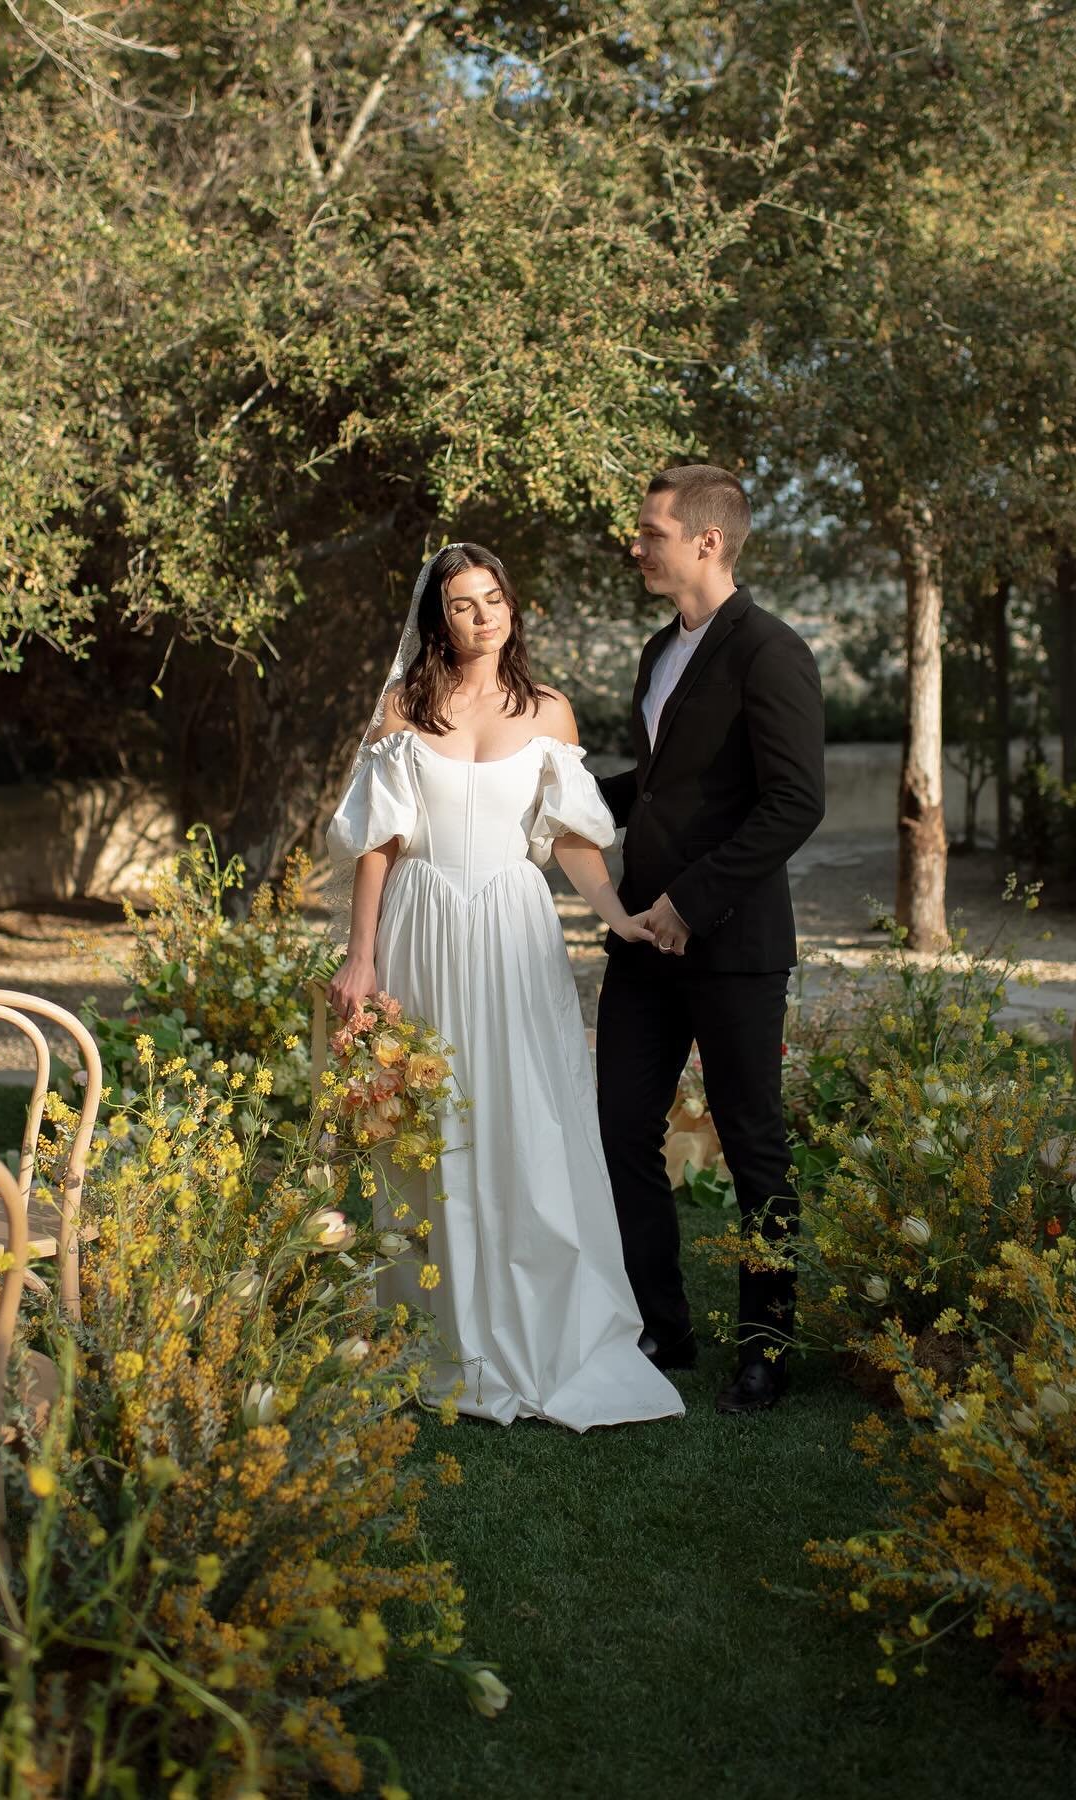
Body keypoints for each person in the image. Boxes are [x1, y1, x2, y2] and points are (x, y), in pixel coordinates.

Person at [325, 544, 683, 1432]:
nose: (481, 617)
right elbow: (379, 843)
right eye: (460, 604)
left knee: (525, 1114)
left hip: (513, 932)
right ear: (436, 618)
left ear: (511, 608)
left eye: (493, 600)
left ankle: (541, 1327)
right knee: (428, 1124)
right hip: (422, 927)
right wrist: (360, 955)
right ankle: (434, 1326)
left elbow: (571, 839)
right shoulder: (402, 707)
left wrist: (616, 912)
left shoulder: (548, 711)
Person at [595, 465, 826, 1415]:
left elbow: (793, 804)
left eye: (651, 532)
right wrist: (545, 801)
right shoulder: (658, 651)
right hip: (643, 942)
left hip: (729, 943)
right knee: (620, 1131)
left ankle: (766, 1349)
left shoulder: (771, 652)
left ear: (707, 541)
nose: (636, 546)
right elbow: (656, 789)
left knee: (751, 1146)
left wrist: (690, 902)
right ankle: (665, 1325)